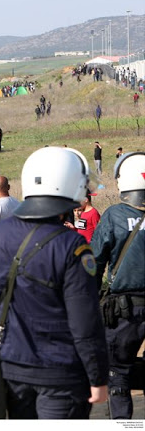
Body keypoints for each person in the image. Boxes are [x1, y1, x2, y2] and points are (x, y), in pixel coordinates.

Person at [0, 147, 109, 419]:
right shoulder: (73, 245)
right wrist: (97, 374)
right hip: (61, 374)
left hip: (10, 367)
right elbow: (84, 320)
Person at [91, 152, 145, 419]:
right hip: (129, 309)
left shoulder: (114, 215)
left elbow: (94, 261)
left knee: (118, 375)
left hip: (125, 312)